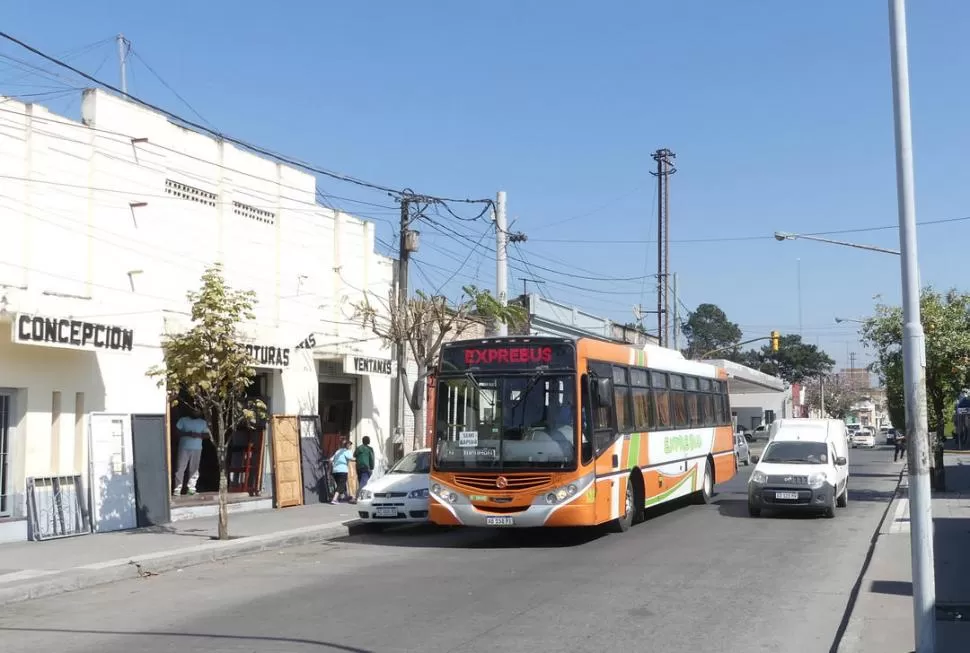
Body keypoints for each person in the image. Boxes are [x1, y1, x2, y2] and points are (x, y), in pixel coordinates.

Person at [173, 410, 210, 495]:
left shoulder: (203, 422)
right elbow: (176, 432)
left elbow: (207, 435)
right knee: (180, 468)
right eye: (194, 411)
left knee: (194, 469)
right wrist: (188, 433)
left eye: (198, 411)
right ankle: (177, 489)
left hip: (197, 448)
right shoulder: (183, 420)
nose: (196, 412)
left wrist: (198, 435)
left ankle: (191, 488)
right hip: (184, 448)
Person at [329, 439, 355, 504]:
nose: (351, 446)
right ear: (347, 446)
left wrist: (331, 467)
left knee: (339, 484)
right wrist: (357, 459)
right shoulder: (347, 451)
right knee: (341, 484)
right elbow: (351, 458)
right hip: (342, 470)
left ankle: (342, 497)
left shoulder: (337, 451)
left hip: (335, 470)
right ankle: (334, 499)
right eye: (350, 445)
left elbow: (330, 459)